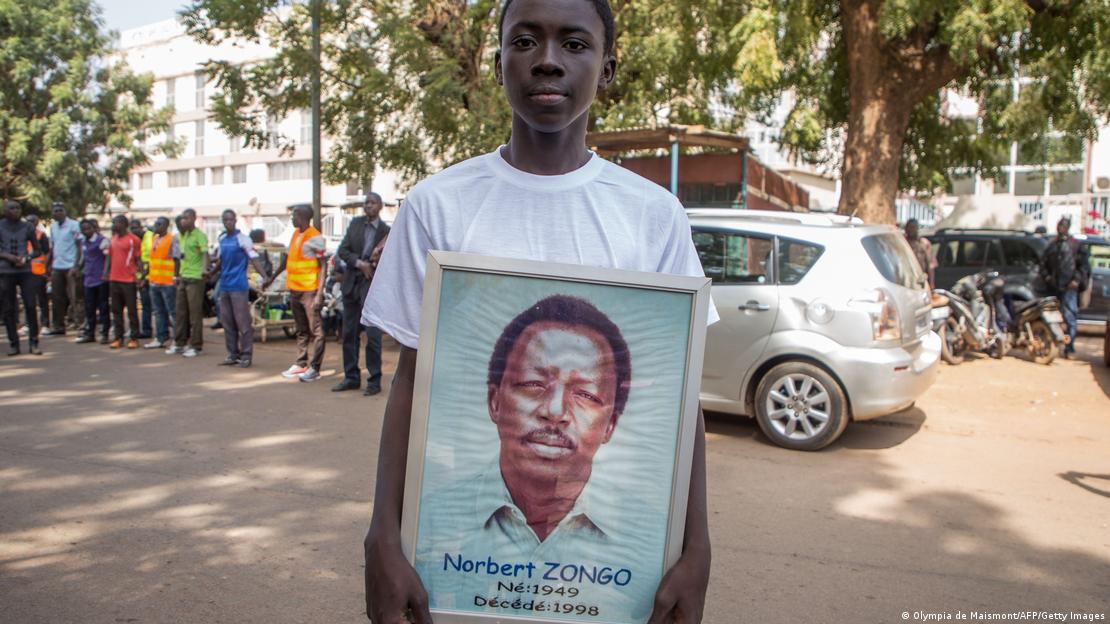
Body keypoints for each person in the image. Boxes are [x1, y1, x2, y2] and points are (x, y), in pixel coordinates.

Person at [361, 1, 715, 622]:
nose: (548, 61)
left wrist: (697, 546)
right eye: (525, 41)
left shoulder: (652, 216)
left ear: (606, 69)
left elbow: (681, 405)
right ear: (499, 61)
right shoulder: (436, 206)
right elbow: (411, 383)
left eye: (574, 44)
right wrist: (383, 536)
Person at [333, 193, 391, 395]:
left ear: (380, 206)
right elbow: (343, 251)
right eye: (366, 203)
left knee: (373, 335)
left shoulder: (386, 231)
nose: (368, 206)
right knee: (349, 334)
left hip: (372, 288)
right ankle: (351, 377)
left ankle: (374, 381)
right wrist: (360, 263)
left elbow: (390, 260)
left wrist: (372, 265)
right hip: (351, 284)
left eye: (372, 203)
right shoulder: (356, 224)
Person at [265, 205, 327, 382]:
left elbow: (323, 265)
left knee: (316, 331)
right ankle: (301, 364)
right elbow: (287, 260)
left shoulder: (315, 237)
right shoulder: (295, 234)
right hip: (295, 290)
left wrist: (319, 294)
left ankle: (315, 368)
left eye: (294, 216)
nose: (292, 219)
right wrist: (272, 277)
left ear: (303, 217)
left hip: (309, 291)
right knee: (301, 329)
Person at [210, 209, 269, 368]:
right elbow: (221, 261)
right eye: (225, 220)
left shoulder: (243, 239)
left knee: (243, 322)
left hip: (239, 286)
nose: (228, 222)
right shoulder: (222, 239)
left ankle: (246, 355)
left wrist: (265, 276)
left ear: (235, 221)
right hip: (225, 286)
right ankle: (232, 354)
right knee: (227, 322)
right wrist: (211, 273)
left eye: (230, 219)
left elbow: (254, 259)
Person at [1040, 217, 1090, 358]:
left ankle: (1070, 348)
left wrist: (1076, 280)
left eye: (1063, 226)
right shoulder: (1052, 245)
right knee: (1051, 317)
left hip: (1070, 288)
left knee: (1070, 317)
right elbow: (1043, 266)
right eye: (1059, 225)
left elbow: (1084, 266)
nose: (1061, 228)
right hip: (1054, 287)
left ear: (1068, 227)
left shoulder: (1076, 245)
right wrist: (1048, 278)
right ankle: (1052, 345)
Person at [0, 199, 44, 355]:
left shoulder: (28, 227)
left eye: (19, 208)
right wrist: (8, 257)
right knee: (8, 308)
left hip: (25, 271)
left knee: (31, 305)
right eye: (12, 208)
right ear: (5, 210)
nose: (17, 210)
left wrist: (26, 258)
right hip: (5, 272)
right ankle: (14, 343)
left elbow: (38, 250)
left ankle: (34, 342)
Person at [168, 208, 209, 358]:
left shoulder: (199, 236)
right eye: (182, 219)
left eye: (186, 218)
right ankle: (179, 343)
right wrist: (175, 276)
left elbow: (205, 253)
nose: (182, 221)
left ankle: (196, 346)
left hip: (195, 279)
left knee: (194, 314)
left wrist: (204, 269)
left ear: (193, 219)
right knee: (180, 313)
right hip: (183, 278)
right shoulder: (181, 236)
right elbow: (178, 258)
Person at [44, 202, 82, 336]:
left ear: (65, 212)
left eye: (60, 210)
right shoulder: (53, 227)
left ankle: (81, 325)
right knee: (57, 297)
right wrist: (47, 265)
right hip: (57, 266)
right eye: (55, 211)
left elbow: (79, 246)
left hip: (70, 266)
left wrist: (77, 265)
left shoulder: (74, 225)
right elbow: (53, 247)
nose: (57, 213)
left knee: (75, 297)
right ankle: (58, 327)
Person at [103, 215, 141, 349]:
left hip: (128, 280)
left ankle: (134, 337)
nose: (114, 225)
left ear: (124, 224)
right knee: (116, 310)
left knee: (131, 310)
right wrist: (106, 272)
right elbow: (109, 257)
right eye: (113, 223)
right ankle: (118, 337)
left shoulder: (133, 240)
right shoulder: (113, 239)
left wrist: (140, 277)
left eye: (116, 223)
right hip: (114, 279)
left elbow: (138, 259)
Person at [144, 217, 179, 349]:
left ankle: (178, 339)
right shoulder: (154, 239)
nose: (156, 226)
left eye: (159, 224)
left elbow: (176, 259)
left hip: (168, 282)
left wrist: (175, 277)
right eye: (155, 223)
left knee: (173, 311)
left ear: (166, 226)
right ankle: (160, 337)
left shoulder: (172, 239)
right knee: (159, 312)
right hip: (154, 281)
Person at [76, 219, 111, 344]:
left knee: (103, 307)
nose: (86, 231)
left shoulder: (102, 241)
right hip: (88, 279)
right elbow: (83, 258)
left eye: (88, 228)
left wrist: (106, 273)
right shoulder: (83, 242)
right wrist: (77, 269)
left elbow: (108, 258)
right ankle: (90, 333)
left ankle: (105, 333)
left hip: (100, 279)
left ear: (93, 228)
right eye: (83, 229)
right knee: (89, 308)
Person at [24, 214, 51, 334]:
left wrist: (47, 269)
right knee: (28, 300)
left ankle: (45, 324)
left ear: (36, 222)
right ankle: (28, 325)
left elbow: (47, 253)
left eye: (32, 221)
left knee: (42, 300)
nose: (30, 223)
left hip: (39, 272)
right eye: (28, 221)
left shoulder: (41, 235)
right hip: (25, 272)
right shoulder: (21, 234)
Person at [131, 218, 154, 339]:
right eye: (132, 228)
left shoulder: (149, 237)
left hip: (151, 276)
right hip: (141, 277)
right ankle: (146, 330)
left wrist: (144, 278)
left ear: (141, 227)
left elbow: (151, 259)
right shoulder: (134, 240)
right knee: (146, 305)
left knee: (156, 306)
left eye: (136, 228)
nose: (134, 231)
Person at [904, 218, 936, 289]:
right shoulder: (902, 243)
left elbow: (930, 265)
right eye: (909, 227)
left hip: (920, 280)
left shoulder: (924, 244)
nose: (911, 230)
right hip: (906, 280)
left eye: (913, 227)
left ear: (917, 228)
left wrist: (931, 283)